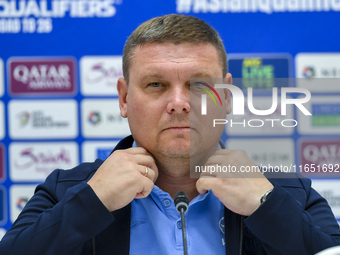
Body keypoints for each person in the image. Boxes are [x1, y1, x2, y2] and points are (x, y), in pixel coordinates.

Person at [1, 14, 340, 255]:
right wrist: (91, 202)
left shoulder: (291, 195)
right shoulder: (65, 191)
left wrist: (268, 208)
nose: (179, 103)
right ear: (123, 98)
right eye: (156, 85)